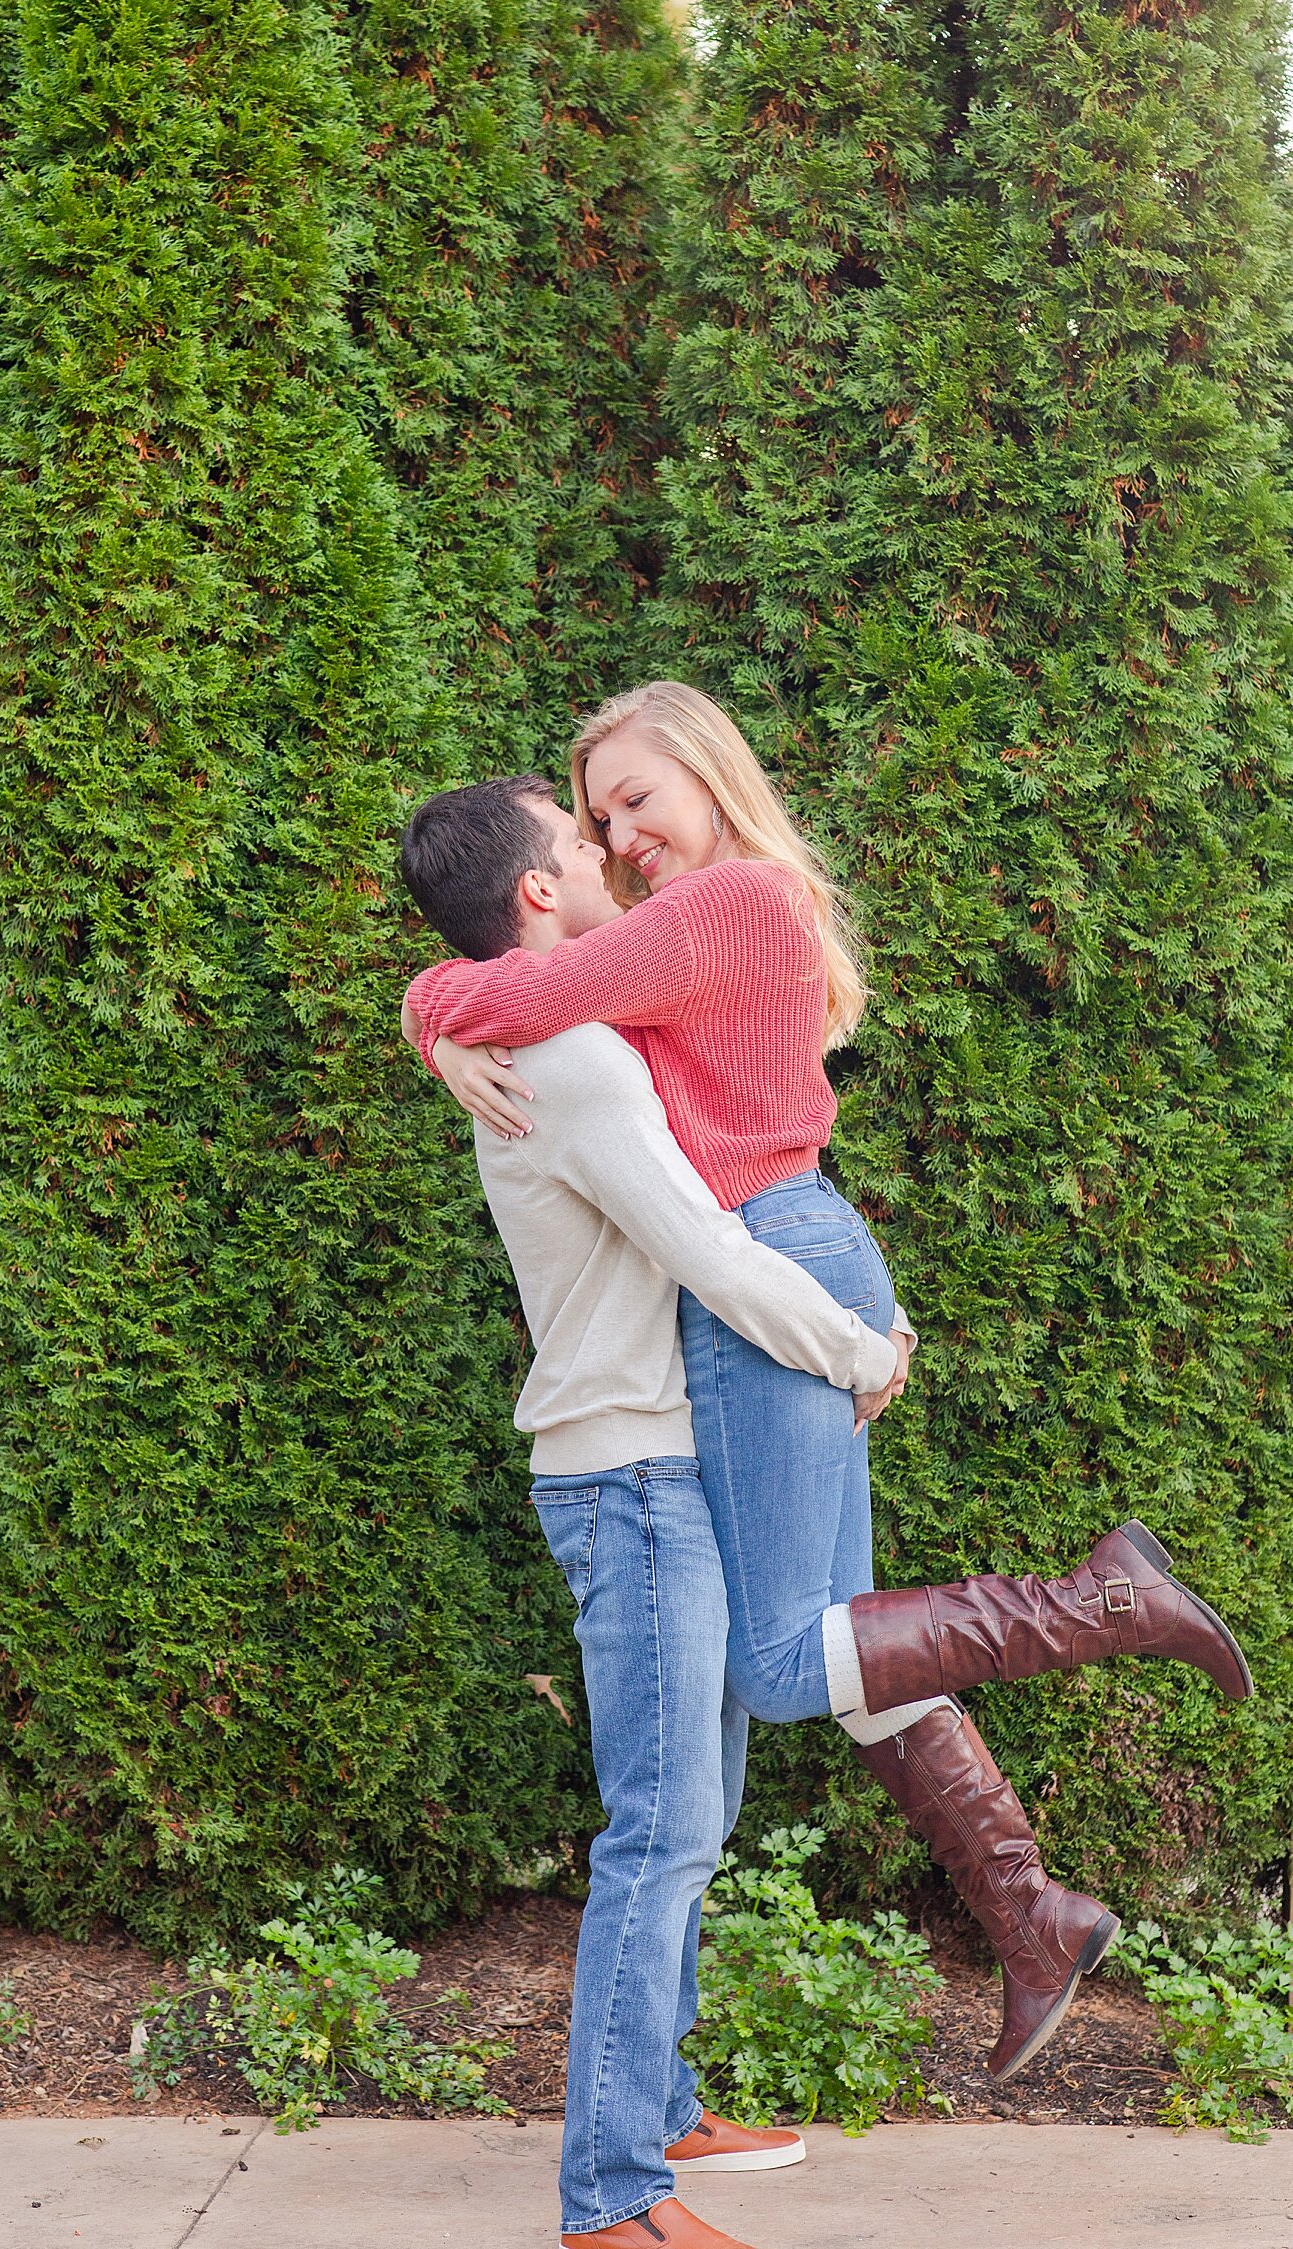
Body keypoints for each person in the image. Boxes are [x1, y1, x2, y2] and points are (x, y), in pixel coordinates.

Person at [401, 683, 1252, 2117]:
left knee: (788, 1662)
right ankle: (1028, 1908)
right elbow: (541, 978)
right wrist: (447, 1010)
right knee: (848, 1641)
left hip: (765, 1264)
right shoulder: (714, 914)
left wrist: (430, 1007)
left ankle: (1108, 1602)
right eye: (599, 812)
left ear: (708, 773)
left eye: (638, 797)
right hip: (792, 1250)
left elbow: (521, 985)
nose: (624, 832)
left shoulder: (728, 899)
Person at [400, 773, 914, 2249]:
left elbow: (475, 985)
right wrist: (857, 1348)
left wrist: (434, 1008)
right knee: (663, 1829)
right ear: (540, 895)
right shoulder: (566, 1051)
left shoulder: (557, 1025)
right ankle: (612, 2195)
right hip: (630, 1475)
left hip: (657, 1460)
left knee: (696, 1806)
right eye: (578, 836)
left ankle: (665, 2101)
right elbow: (701, 1247)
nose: (610, 847)